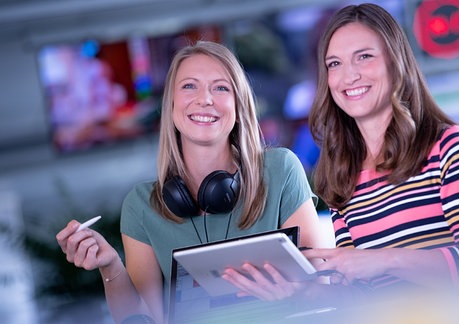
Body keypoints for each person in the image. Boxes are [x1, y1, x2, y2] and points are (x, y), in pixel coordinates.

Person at [223, 3, 459, 302]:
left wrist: (383, 259)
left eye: (364, 57)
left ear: (395, 62)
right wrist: (302, 291)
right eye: (335, 64)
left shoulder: (449, 147)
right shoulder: (342, 175)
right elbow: (361, 297)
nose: (350, 76)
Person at [56, 40, 324, 324]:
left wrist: (294, 291)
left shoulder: (280, 169)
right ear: (170, 105)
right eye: (189, 86)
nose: (205, 99)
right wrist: (110, 265)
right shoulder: (141, 206)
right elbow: (147, 318)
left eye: (221, 87)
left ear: (239, 104)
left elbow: (321, 286)